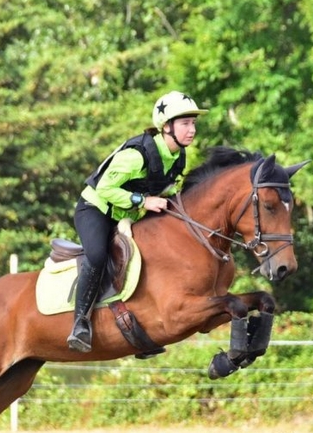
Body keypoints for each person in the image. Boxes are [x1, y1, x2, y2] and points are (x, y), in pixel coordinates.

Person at [67, 90, 208, 352]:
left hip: (128, 217)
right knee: (97, 256)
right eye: (185, 123)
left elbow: (164, 189)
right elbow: (105, 189)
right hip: (96, 209)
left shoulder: (178, 157)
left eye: (194, 124)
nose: (192, 130)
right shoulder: (137, 154)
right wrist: (143, 202)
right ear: (166, 127)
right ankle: (80, 324)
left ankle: (143, 328)